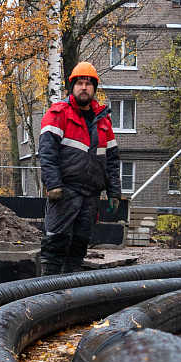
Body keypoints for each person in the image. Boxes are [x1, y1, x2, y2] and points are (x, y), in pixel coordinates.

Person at [37, 61, 121, 275]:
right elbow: (47, 152)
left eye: (88, 83)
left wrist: (114, 192)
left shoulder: (104, 121)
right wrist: (53, 184)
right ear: (72, 87)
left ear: (94, 88)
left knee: (79, 246)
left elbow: (111, 160)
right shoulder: (58, 114)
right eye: (80, 83)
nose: (84, 87)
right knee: (56, 243)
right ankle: (48, 293)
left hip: (91, 194)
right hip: (65, 191)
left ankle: (69, 294)